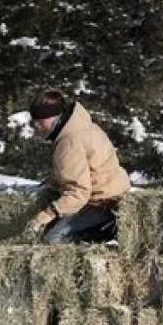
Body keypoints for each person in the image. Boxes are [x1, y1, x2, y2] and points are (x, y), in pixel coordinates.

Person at [28, 88, 131, 244]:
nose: (37, 125)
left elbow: (79, 192)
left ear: (54, 117)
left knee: (53, 239)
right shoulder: (80, 125)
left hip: (103, 203)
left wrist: (47, 214)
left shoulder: (69, 141)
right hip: (114, 196)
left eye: (40, 120)